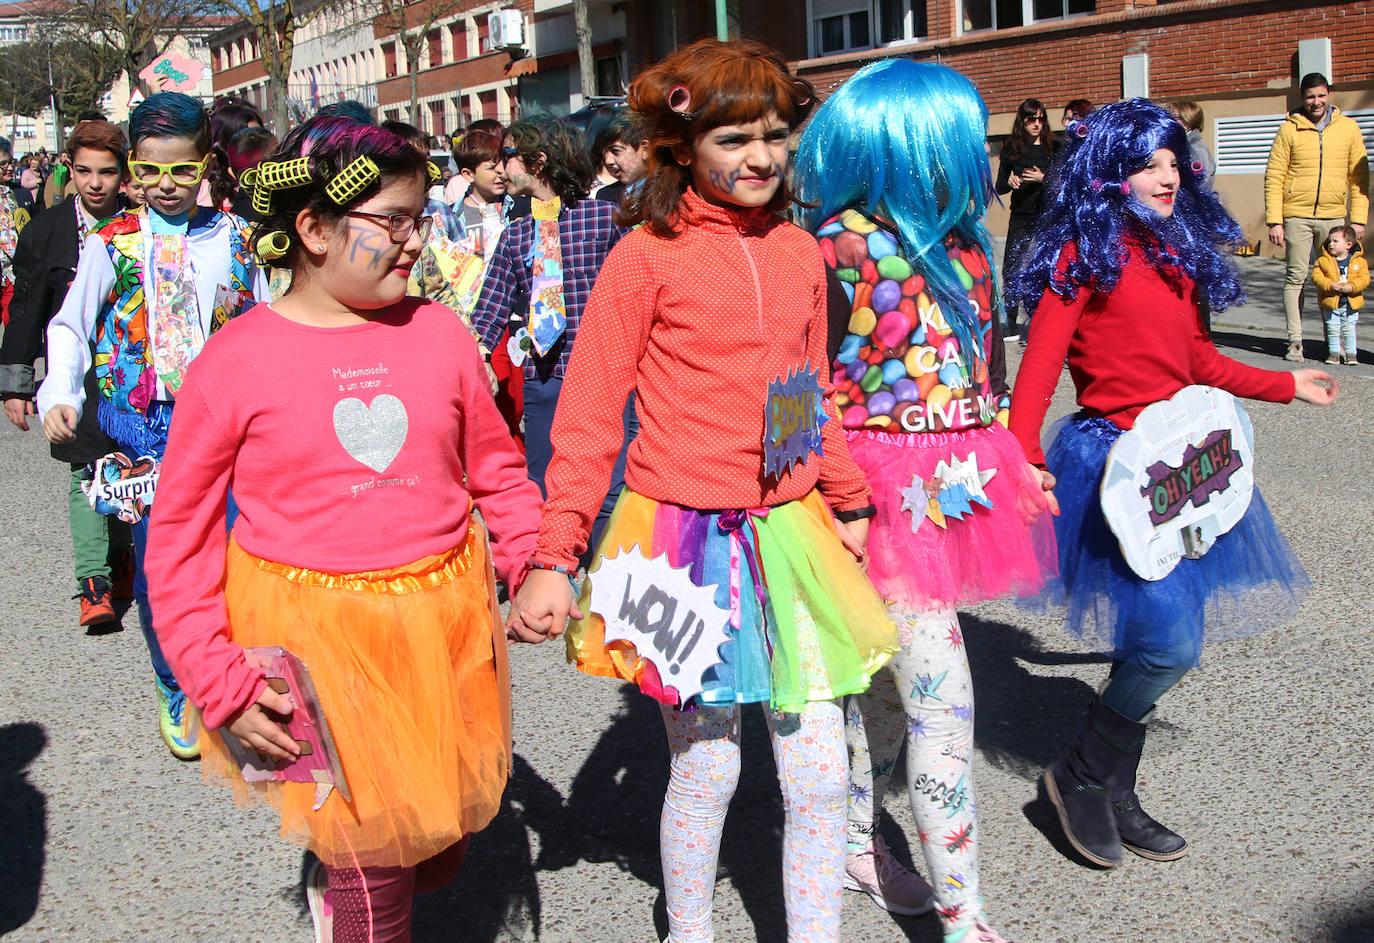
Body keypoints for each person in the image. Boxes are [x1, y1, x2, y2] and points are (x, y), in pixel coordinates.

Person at [511, 38, 898, 943]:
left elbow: (808, 394)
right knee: (710, 767)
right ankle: (689, 929)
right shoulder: (644, 257)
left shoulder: (804, 252)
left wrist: (846, 499)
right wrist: (555, 552)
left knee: (817, 776)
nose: (761, 156)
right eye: (734, 139)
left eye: (774, 135)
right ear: (681, 147)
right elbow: (589, 416)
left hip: (792, 532)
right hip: (681, 541)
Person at [140, 116, 546, 943]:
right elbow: (177, 539)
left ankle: (361, 882)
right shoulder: (237, 360)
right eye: (392, 222)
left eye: (420, 219)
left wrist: (537, 558)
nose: (413, 241)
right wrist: (218, 679)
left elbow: (496, 466)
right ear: (314, 230)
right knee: (373, 862)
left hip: (443, 628)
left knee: (437, 841)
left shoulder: (438, 334)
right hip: (314, 644)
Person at [1007, 99, 1338, 870]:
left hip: (1182, 466)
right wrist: (1024, 453)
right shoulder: (1079, 256)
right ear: (1111, 170)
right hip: (1113, 464)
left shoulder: (1177, 256)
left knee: (1157, 636)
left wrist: (1287, 385)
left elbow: (1199, 365)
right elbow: (1040, 369)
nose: (1168, 175)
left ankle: (1111, 789)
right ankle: (1080, 775)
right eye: (1150, 161)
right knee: (1172, 642)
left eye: (1174, 161)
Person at [796, 60, 1058, 943]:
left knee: (881, 698)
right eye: (964, 139)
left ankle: (865, 845)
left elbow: (983, 377)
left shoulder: (970, 247)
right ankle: (966, 917)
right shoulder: (830, 246)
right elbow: (794, 392)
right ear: (913, 146)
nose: (980, 158)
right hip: (865, 503)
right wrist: (826, 499)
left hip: (950, 498)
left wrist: (1015, 462)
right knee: (940, 698)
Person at [35, 91, 270, 760]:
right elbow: (70, 324)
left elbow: (266, 321)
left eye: (183, 170)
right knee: (162, 562)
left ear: (205, 166)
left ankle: (233, 670)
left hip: (224, 422)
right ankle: (177, 681)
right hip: (144, 424)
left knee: (234, 551)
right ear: (134, 170)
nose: (167, 185)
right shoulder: (115, 242)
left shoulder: (233, 239)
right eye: (152, 171)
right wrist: (60, 390)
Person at [470, 115, 631, 546]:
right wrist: (479, 355)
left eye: (510, 156)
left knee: (611, 480)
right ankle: (549, 561)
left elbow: (637, 292)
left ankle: (600, 567)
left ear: (538, 161)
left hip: (605, 375)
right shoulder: (516, 234)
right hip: (545, 374)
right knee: (542, 477)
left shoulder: (607, 220)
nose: (502, 168)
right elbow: (491, 306)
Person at [0, 119, 133, 627]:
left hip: (128, 366)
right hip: (72, 370)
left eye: (106, 172)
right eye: (83, 171)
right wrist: (15, 385)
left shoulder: (141, 225)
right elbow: (27, 310)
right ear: (69, 169)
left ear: (123, 172)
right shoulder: (46, 231)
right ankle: (92, 583)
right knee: (84, 472)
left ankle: (122, 556)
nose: (95, 183)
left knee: (127, 468)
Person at [1265, 72, 1369, 362]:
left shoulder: (1348, 128)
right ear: (1303, 97)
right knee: (1296, 277)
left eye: (1321, 95)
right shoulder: (1289, 129)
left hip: (1334, 215)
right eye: (1311, 96)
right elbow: (1274, 175)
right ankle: (1295, 342)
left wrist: (1358, 220)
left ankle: (1333, 343)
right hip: (1296, 215)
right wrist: (1274, 220)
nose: (1316, 102)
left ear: (1329, 94)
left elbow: (1358, 176)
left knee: (1333, 278)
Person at [996, 98, 1057, 339]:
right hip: (1021, 216)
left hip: (1047, 217)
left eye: (1041, 119)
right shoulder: (1012, 149)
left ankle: (1045, 323)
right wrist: (1010, 180)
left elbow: (1062, 185)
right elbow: (1000, 186)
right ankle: (1011, 325)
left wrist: (1045, 178)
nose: (1036, 124)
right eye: (1031, 119)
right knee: (1011, 268)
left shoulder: (1054, 148)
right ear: (1022, 120)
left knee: (1046, 269)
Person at [1312, 223, 1367, 365]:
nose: (1331, 244)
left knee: (1349, 329)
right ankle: (1334, 353)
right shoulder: (1323, 261)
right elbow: (1317, 277)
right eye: (1330, 241)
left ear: (1348, 244)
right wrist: (1330, 285)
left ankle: (1351, 354)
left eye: (1336, 241)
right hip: (1331, 302)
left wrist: (1352, 286)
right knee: (1332, 328)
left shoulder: (1359, 262)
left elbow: (1364, 279)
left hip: (1350, 303)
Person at [0, 140, 33, 325]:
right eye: (3, 164)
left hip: (14, 273)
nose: (9, 167)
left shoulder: (21, 194)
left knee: (14, 325)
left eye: (10, 162)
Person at [592, 109, 650, 206]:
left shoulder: (667, 190)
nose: (608, 161)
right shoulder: (606, 196)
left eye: (616, 151)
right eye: (604, 152)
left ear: (645, 149)